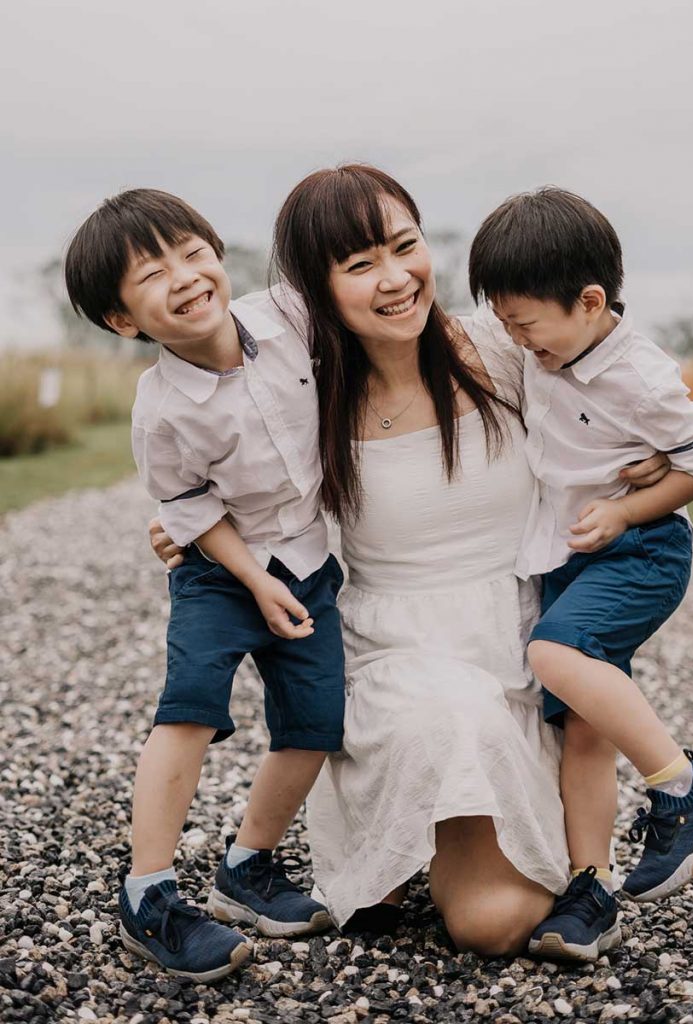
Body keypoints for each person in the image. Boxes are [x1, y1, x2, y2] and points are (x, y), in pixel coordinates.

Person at [157, 164, 670, 955]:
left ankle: (490, 852)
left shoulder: (502, 347)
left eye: (406, 247)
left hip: (517, 637)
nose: (397, 279)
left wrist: (648, 466)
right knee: (449, 742)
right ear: (316, 289)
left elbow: (621, 380)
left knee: (491, 923)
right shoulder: (307, 392)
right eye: (361, 265)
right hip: (397, 655)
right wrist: (184, 528)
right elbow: (222, 477)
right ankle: (401, 830)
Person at [64, 189, 346, 981]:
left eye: (192, 252)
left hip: (310, 562)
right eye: (152, 274)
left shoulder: (288, 319)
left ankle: (247, 869)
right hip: (220, 574)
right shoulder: (161, 413)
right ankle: (148, 895)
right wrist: (251, 578)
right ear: (124, 321)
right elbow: (188, 508)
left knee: (316, 726)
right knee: (190, 708)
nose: (185, 277)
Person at [468, 187, 693, 961]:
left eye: (526, 324)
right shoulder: (551, 353)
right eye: (508, 324)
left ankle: (687, 786)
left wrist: (631, 510)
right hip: (570, 557)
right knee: (581, 731)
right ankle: (589, 890)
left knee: (552, 654)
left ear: (590, 302)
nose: (519, 341)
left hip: (640, 549)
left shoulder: (640, 374)